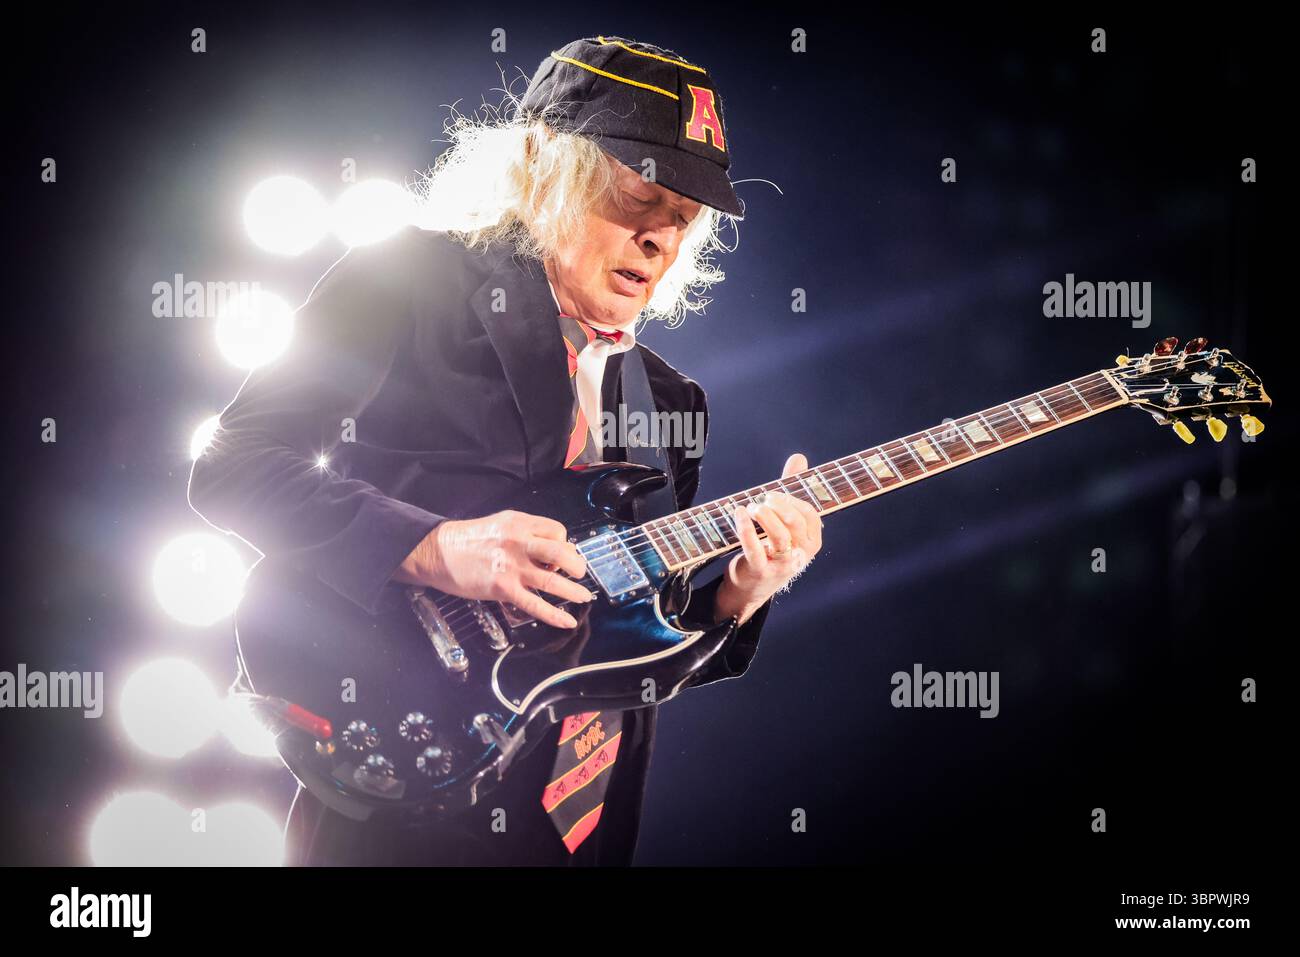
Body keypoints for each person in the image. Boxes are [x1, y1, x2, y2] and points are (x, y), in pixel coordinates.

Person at [188, 35, 822, 866]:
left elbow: (626, 643)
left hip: (581, 829)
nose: (658, 238)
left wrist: (737, 593)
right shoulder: (405, 279)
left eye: (682, 217)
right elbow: (233, 465)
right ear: (541, 163)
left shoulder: (672, 401)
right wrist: (434, 545)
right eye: (639, 194)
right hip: (400, 785)